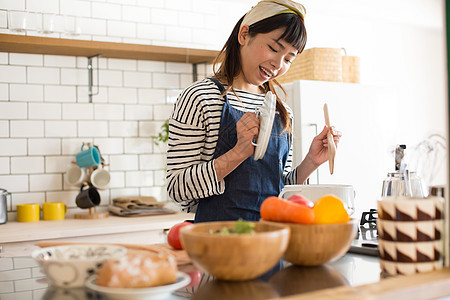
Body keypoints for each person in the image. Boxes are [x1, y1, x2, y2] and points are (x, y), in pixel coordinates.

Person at [166, 0, 341, 223]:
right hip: (219, 243)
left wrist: (311, 162)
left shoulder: (282, 111)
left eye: (288, 58)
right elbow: (177, 189)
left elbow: (278, 191)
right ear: (244, 35)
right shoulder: (200, 97)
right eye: (274, 48)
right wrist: (238, 153)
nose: (279, 64)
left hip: (272, 241)